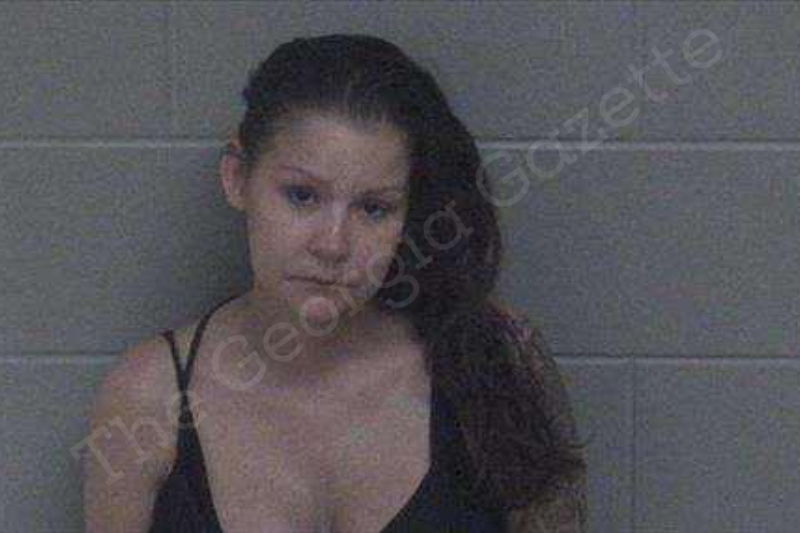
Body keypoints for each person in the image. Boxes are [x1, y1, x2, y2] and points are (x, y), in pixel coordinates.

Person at [81, 34, 588, 533]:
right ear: (237, 177)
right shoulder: (148, 396)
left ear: (407, 215)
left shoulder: (492, 357)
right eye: (302, 196)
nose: (333, 244)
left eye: (374, 208)